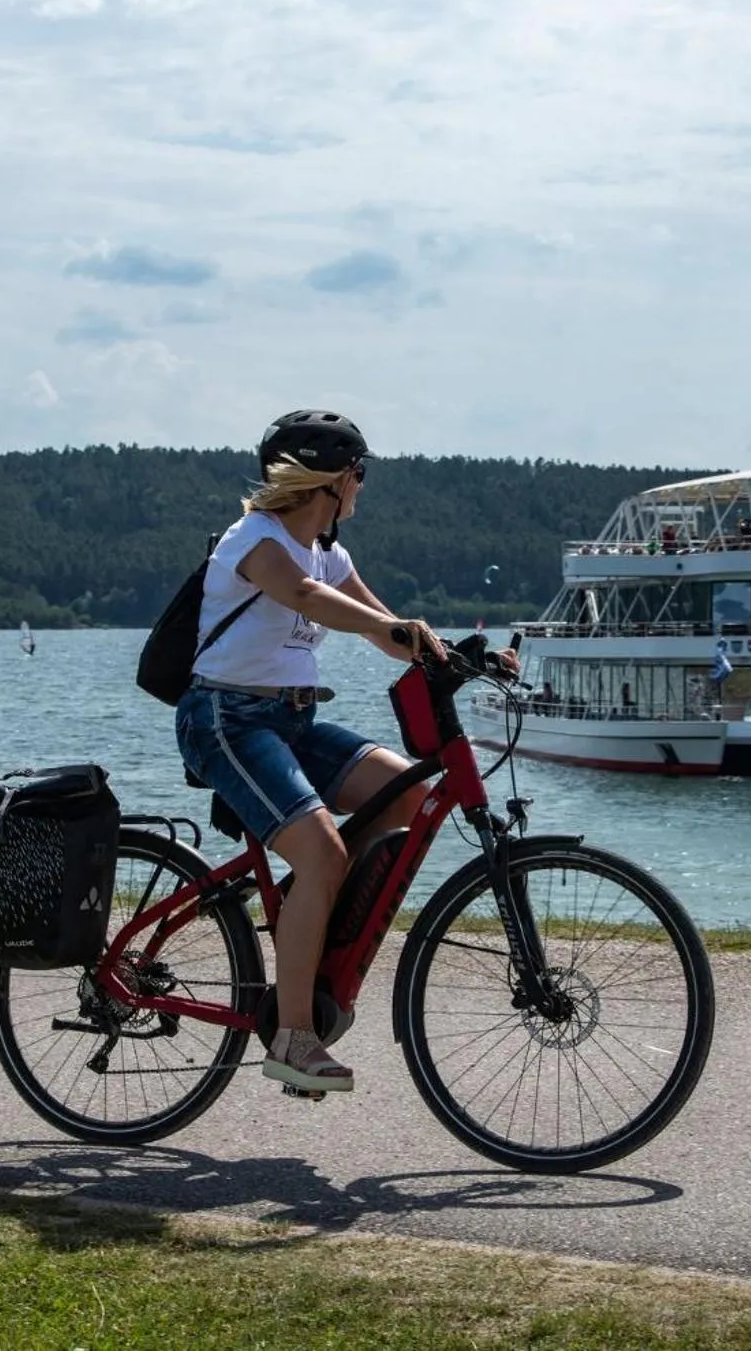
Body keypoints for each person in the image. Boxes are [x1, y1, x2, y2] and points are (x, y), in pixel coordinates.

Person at [175, 409, 453, 1095]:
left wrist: (456, 654)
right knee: (325, 851)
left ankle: (312, 904)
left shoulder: (332, 555)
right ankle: (294, 1037)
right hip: (225, 721)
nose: (362, 489)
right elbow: (303, 596)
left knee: (413, 796)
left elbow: (385, 629)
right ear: (331, 480)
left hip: (293, 721)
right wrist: (396, 628)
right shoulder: (256, 539)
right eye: (358, 474)